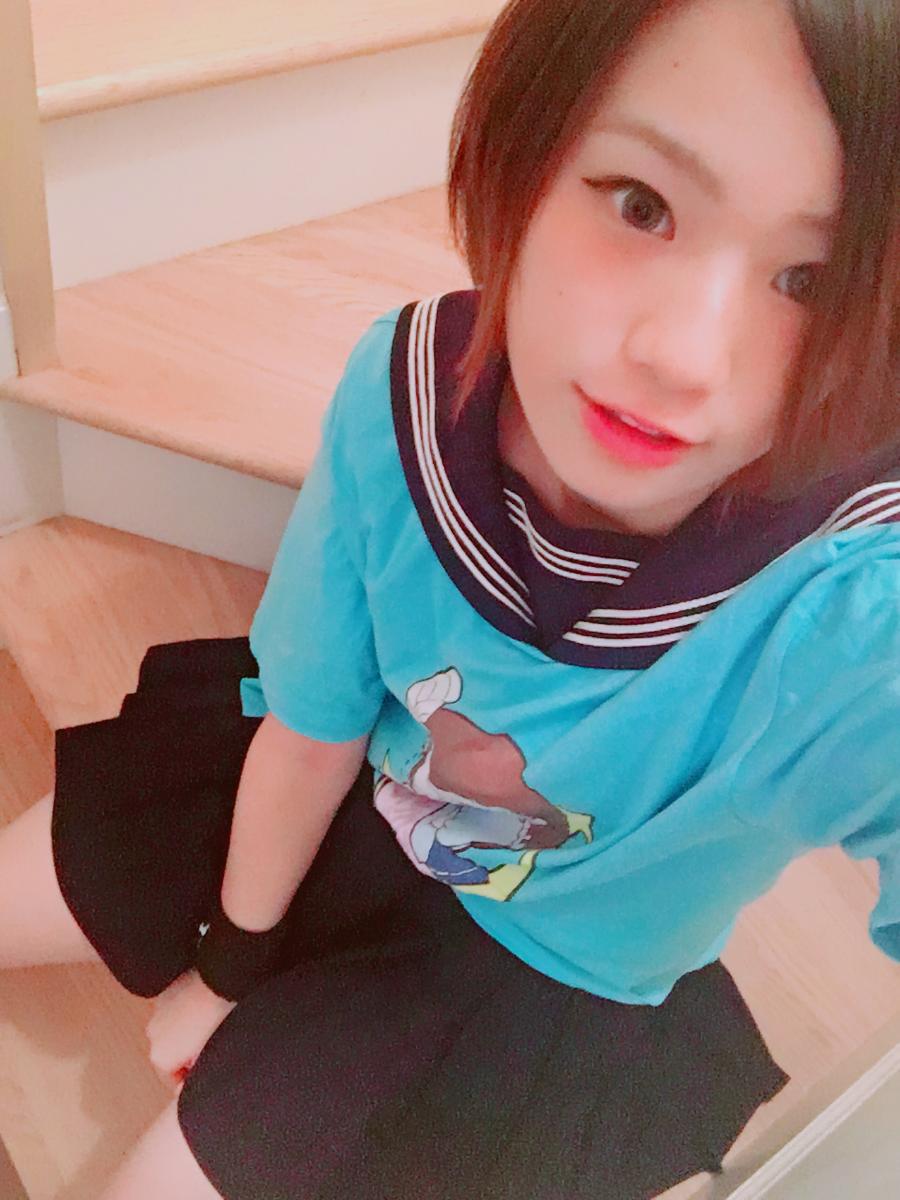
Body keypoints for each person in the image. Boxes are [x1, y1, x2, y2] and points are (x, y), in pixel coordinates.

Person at [1, 0, 898, 1196]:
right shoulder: (409, 390)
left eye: (809, 278)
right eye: (642, 205)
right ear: (532, 147)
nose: (683, 355)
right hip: (341, 781)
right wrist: (226, 966)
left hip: (540, 968)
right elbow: (312, 730)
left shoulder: (851, 616)